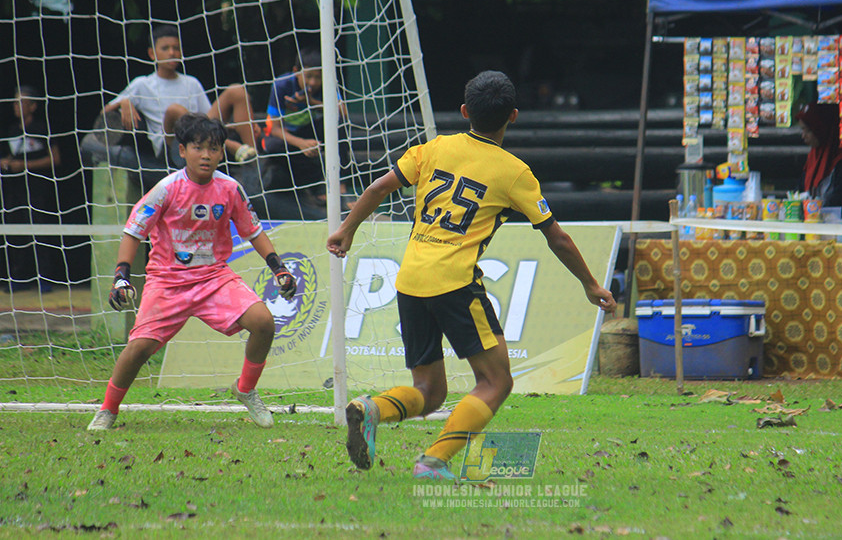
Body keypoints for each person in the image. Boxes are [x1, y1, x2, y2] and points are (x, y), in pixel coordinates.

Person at [326, 70, 616, 479]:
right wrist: (590, 284)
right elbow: (558, 238)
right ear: (513, 116)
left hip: (410, 280)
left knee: (430, 392)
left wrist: (346, 230)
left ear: (464, 111)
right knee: (496, 381)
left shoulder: (434, 148)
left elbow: (377, 189)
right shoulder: (514, 172)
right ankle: (433, 462)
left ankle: (372, 408)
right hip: (456, 282)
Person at [86, 113, 297, 431]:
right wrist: (121, 276)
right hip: (168, 282)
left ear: (222, 152)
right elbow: (133, 232)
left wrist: (278, 268)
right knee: (139, 348)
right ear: (182, 150)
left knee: (264, 322)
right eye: (198, 148)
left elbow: (253, 232)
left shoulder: (230, 188)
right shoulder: (166, 189)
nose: (206, 155)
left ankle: (245, 388)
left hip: (214, 278)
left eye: (213, 148)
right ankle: (108, 409)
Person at [102, 25, 259, 169]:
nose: (171, 53)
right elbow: (105, 112)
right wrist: (124, 101)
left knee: (236, 90)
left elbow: (208, 119)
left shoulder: (191, 82)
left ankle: (253, 158)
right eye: (165, 48)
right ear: (152, 53)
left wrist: (237, 124)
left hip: (200, 137)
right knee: (174, 110)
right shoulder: (142, 84)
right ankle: (230, 146)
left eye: (176, 48)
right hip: (170, 145)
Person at [260, 47, 350, 208]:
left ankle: (341, 186)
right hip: (288, 136)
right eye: (308, 76)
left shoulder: (327, 84)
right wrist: (301, 143)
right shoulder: (282, 85)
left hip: (311, 131)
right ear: (296, 71)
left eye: (318, 77)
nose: (313, 82)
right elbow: (274, 128)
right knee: (272, 146)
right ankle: (315, 183)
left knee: (339, 124)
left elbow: (344, 113)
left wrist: (312, 102)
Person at [0, 86, 61, 293]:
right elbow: (12, 157)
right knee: (16, 232)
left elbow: (55, 159)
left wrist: (25, 166)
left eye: (21, 102)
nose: (16, 106)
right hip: (14, 189)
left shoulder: (42, 128)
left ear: (33, 106)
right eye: (14, 102)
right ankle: (18, 277)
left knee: (40, 231)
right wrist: (7, 162)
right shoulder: (11, 130)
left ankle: (44, 278)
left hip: (38, 188)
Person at [796, 102, 842, 216]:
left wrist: (814, 211)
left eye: (807, 130)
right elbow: (800, 190)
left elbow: (841, 200)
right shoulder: (814, 157)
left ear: (821, 129)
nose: (803, 136)